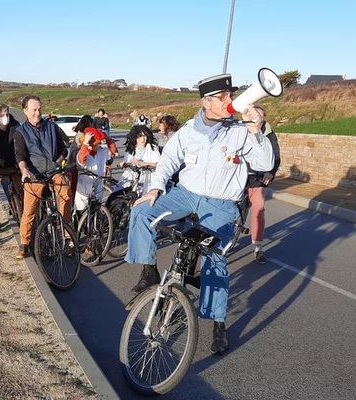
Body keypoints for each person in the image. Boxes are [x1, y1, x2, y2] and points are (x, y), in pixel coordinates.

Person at [124, 73, 275, 355]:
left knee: (215, 261)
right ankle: (149, 271)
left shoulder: (240, 130)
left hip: (221, 204)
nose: (230, 100)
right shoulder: (189, 130)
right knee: (142, 211)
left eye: (231, 95)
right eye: (223, 97)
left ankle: (218, 323)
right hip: (186, 194)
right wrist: (156, 188)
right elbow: (168, 160)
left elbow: (265, 163)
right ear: (206, 102)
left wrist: (257, 131)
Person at [13, 95, 71, 259]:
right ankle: (24, 243)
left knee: (66, 196)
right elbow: (20, 156)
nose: (38, 112)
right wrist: (24, 171)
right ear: (25, 111)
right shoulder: (20, 132)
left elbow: (63, 149)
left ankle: (67, 236)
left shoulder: (52, 127)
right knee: (29, 210)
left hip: (54, 170)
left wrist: (58, 161)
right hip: (34, 175)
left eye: (39, 109)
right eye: (34, 110)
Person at [246, 105, 281, 264]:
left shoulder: (268, 134)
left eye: (259, 118)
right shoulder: (241, 129)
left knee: (258, 210)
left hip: (257, 178)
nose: (256, 121)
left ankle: (258, 247)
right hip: (238, 177)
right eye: (254, 117)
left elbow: (275, 156)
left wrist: (271, 172)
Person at [73, 115, 117, 212]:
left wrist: (107, 138)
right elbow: (81, 159)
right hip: (84, 189)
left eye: (97, 144)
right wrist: (85, 143)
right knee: (81, 211)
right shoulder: (83, 152)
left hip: (98, 187)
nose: (96, 146)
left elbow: (112, 152)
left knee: (96, 210)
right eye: (94, 144)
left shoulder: (102, 151)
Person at [116, 125, 160, 195]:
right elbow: (127, 163)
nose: (143, 139)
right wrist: (124, 164)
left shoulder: (152, 148)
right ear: (135, 137)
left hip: (146, 178)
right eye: (140, 136)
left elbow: (159, 165)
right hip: (131, 176)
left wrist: (144, 163)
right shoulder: (131, 149)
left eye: (145, 136)